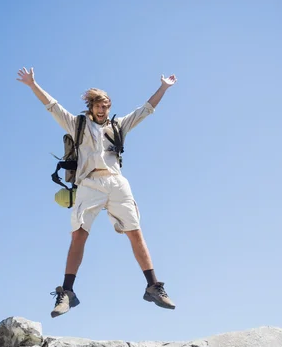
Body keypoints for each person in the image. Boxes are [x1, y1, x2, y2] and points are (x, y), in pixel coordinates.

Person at [16, 66, 177, 318]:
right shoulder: (77, 125)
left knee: (135, 233)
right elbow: (53, 106)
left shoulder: (118, 126)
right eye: (99, 105)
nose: (103, 110)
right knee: (79, 235)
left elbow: (145, 109)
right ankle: (67, 293)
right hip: (89, 184)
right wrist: (32, 84)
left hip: (117, 182)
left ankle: (153, 287)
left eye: (107, 106)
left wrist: (164, 87)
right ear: (91, 107)